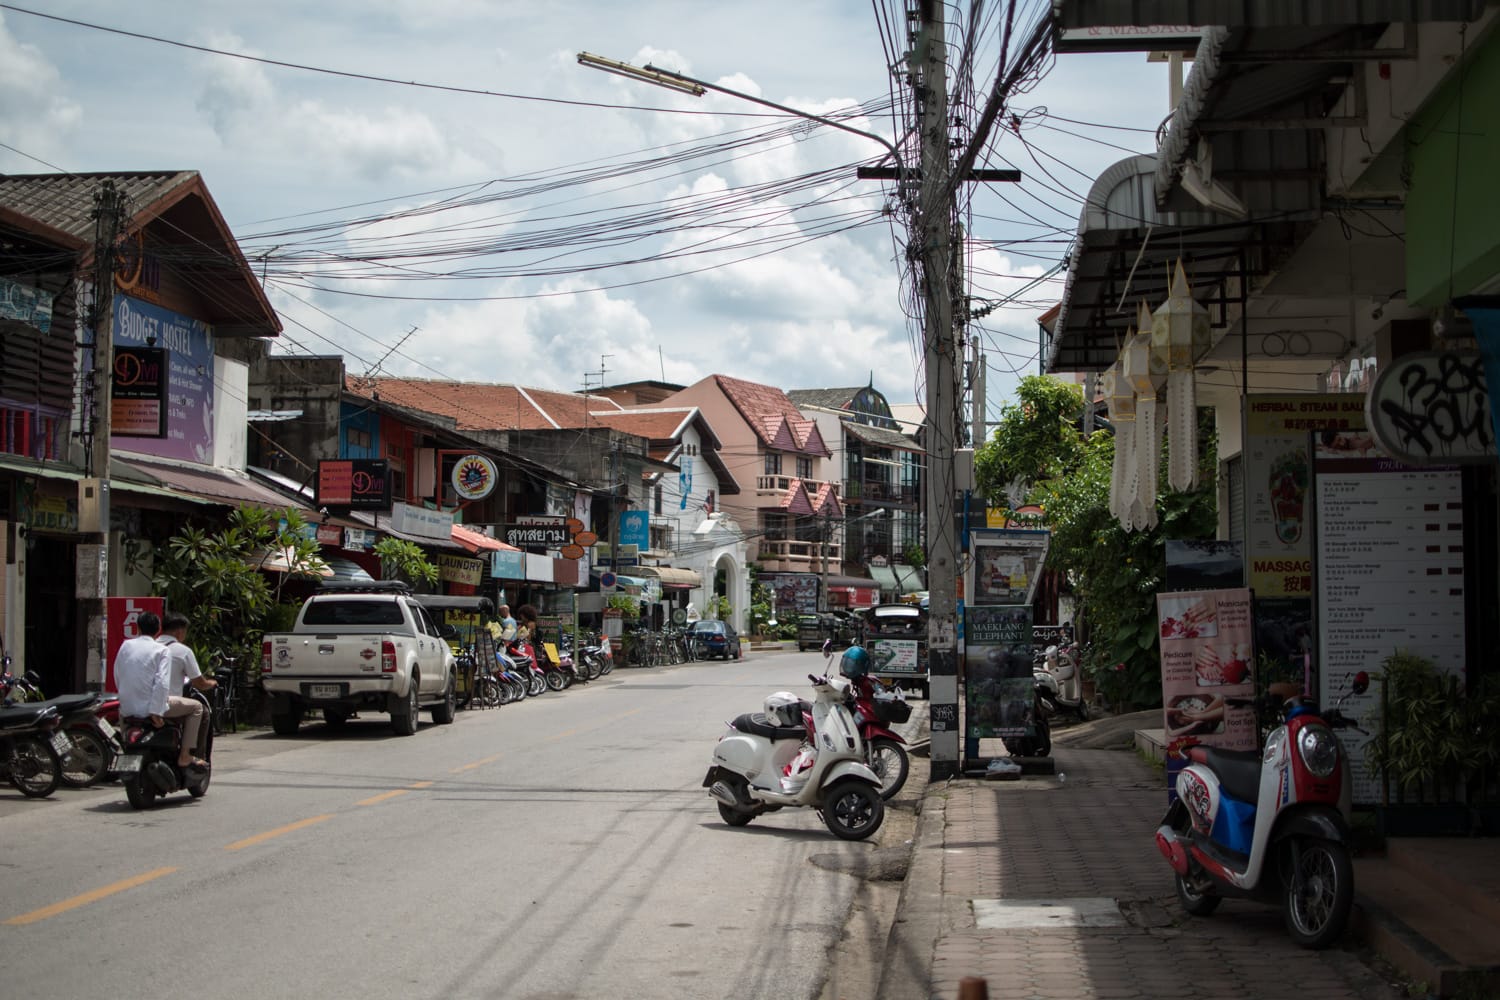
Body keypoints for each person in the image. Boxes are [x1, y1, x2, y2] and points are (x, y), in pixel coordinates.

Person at [114, 610, 208, 770]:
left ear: (138, 628)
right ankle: (185, 755)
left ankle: (127, 750)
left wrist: (126, 699)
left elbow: (118, 674)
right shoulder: (161, 650)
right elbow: (162, 682)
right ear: (158, 629)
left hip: (127, 708)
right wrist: (156, 712)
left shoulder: (125, 646)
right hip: (153, 707)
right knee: (197, 708)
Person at [158, 612, 218, 700]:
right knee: (198, 707)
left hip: (144, 702)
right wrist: (212, 683)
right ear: (180, 632)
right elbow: (201, 684)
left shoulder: (150, 647)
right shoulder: (183, 651)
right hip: (168, 702)